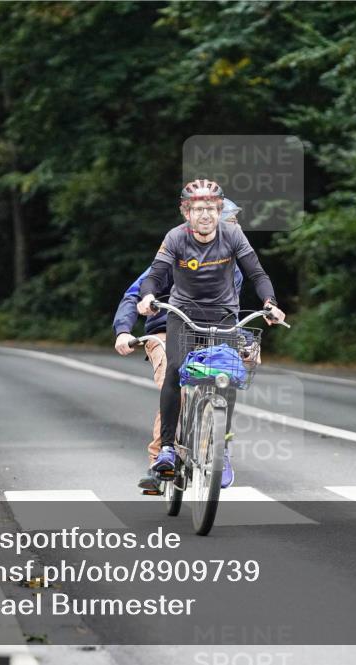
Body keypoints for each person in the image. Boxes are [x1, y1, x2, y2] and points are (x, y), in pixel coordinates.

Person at [136, 180, 286, 489]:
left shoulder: (232, 234)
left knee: (227, 375)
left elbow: (257, 274)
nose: (206, 215)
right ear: (186, 212)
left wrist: (270, 304)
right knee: (176, 372)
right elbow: (155, 275)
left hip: (224, 316)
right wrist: (148, 298)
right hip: (183, 317)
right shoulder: (175, 238)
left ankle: (221, 450)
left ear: (220, 211)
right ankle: (166, 450)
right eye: (199, 209)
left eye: (212, 209)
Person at [113, 199, 245, 492]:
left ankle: (216, 451)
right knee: (178, 385)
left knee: (228, 374)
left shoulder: (234, 268)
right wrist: (123, 330)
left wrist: (243, 340)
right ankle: (161, 460)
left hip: (209, 332)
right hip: (166, 330)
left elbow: (230, 313)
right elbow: (134, 294)